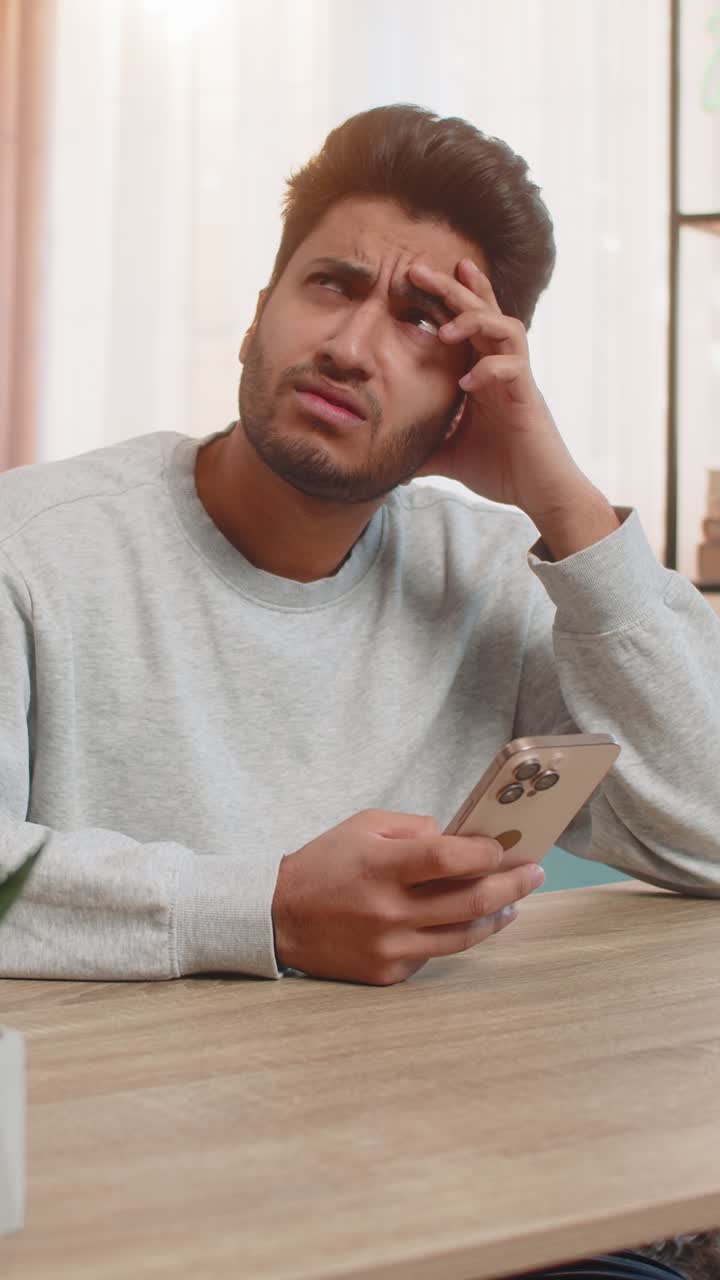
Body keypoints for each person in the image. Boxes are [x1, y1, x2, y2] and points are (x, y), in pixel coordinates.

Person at [2, 100, 718, 1278]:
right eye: (330, 284)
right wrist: (269, 908)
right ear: (259, 310)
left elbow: (714, 827)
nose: (350, 344)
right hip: (137, 1217)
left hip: (457, 1191)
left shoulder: (494, 580)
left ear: (474, 386)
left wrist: (568, 509)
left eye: (424, 319)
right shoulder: (31, 548)